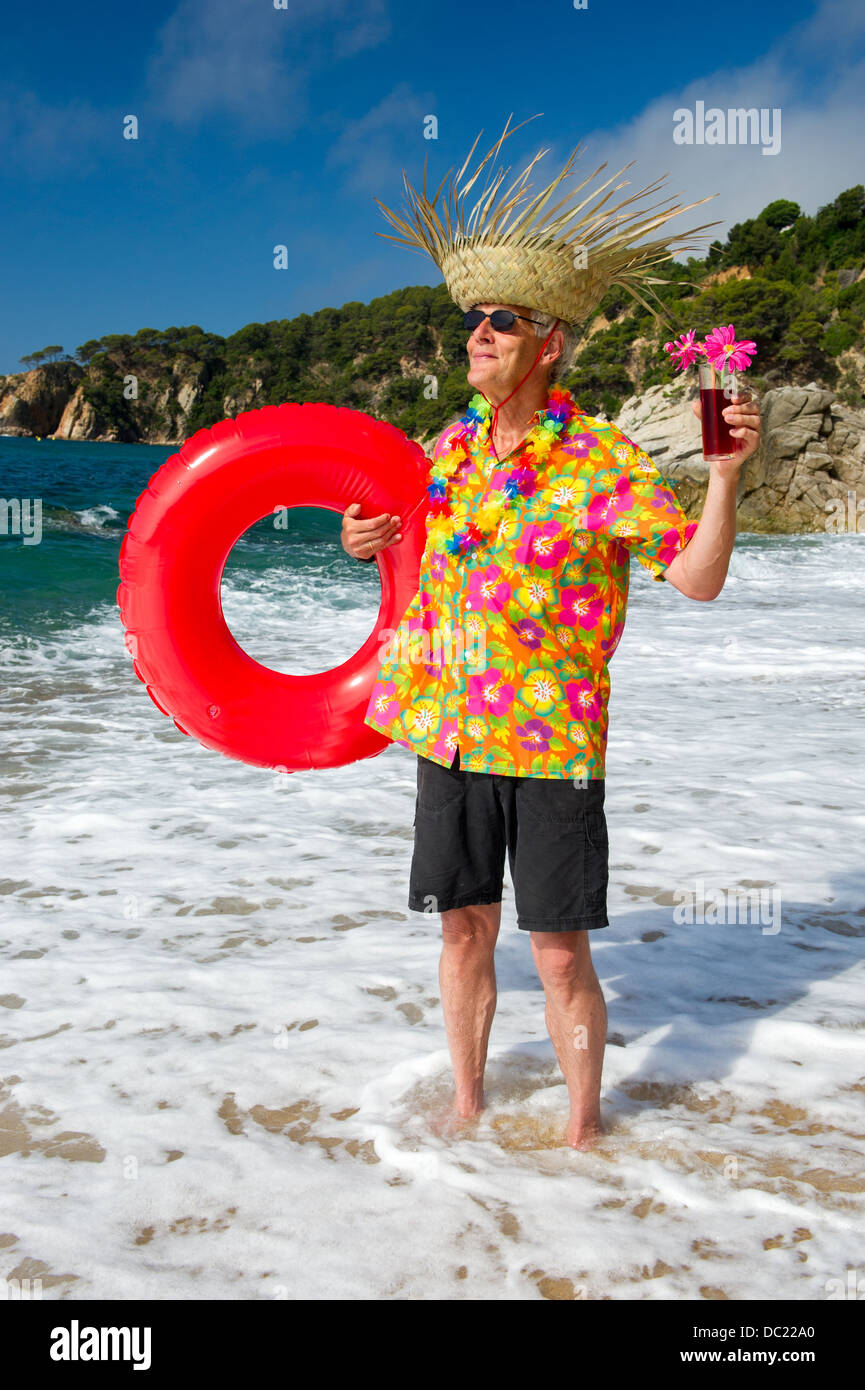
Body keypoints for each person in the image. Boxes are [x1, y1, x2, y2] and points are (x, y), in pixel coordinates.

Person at [341, 118, 761, 1148]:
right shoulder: (440, 455)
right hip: (448, 723)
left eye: (499, 320)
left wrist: (722, 479)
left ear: (548, 340)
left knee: (561, 951)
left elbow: (697, 580)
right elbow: (386, 546)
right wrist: (360, 538)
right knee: (459, 925)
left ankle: (584, 1137)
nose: (475, 333)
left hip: (553, 738)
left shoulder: (602, 461)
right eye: (470, 320)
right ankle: (469, 1108)